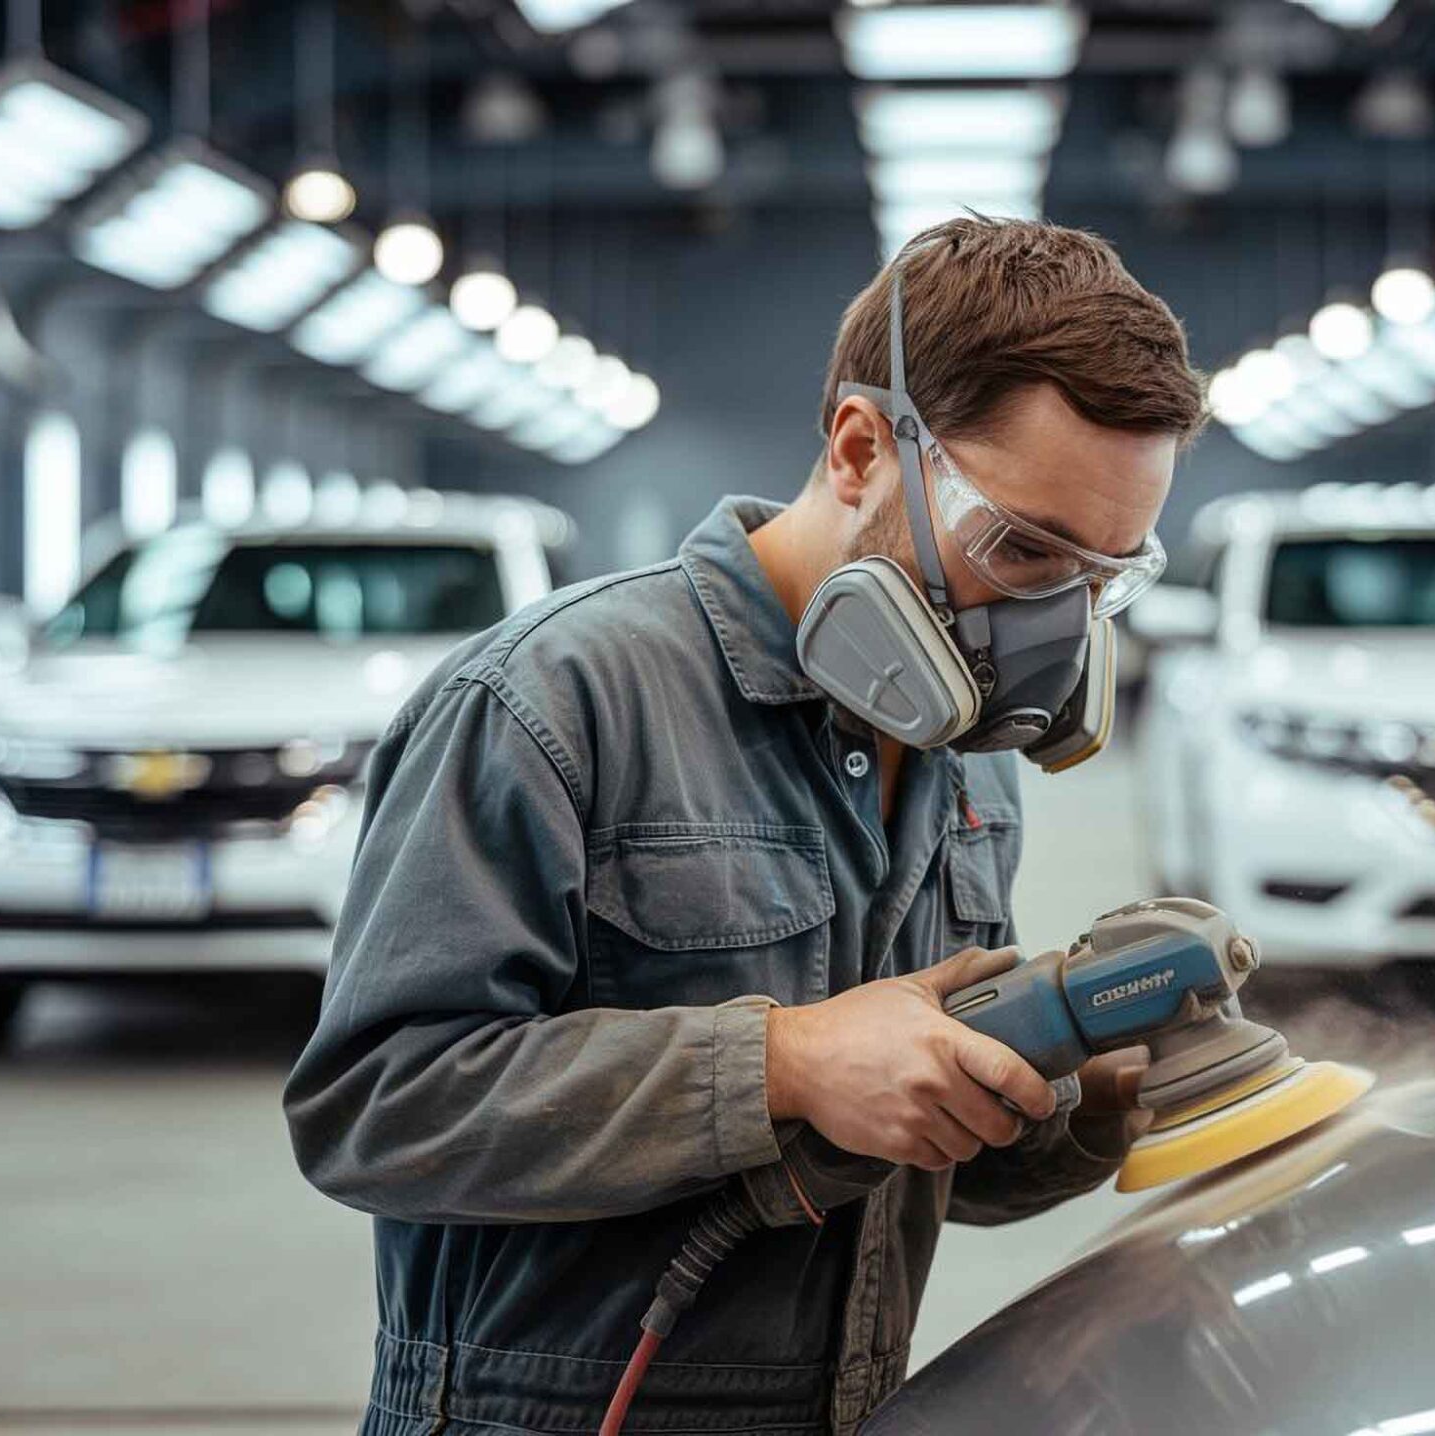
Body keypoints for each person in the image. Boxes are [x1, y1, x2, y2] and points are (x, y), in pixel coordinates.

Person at [283, 216, 1205, 1436]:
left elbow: (911, 1159)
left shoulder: (974, 758)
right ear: (861, 448)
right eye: (1023, 548)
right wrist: (783, 1061)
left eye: (1102, 577)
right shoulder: (552, 700)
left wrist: (1075, 1087)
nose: (1054, 623)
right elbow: (372, 1109)